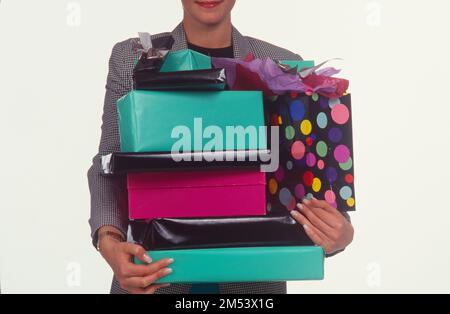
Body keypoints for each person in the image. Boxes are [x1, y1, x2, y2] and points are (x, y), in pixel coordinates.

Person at [87, 0, 354, 295]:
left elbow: (304, 172)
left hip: (253, 285)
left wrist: (337, 232)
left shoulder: (282, 64)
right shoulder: (132, 57)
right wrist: (109, 241)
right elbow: (106, 163)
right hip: (153, 277)